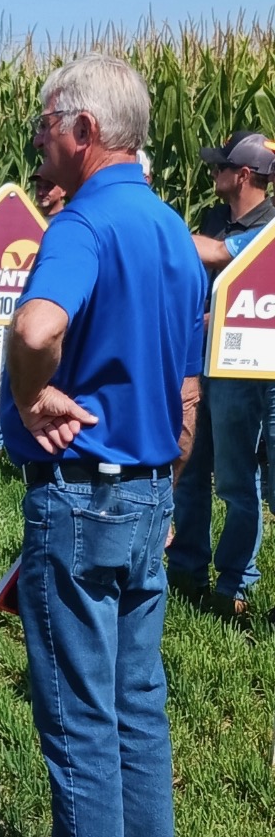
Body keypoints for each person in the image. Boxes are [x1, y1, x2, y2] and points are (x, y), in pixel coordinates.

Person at [0, 55, 204, 837]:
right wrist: (169, 464)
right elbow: (187, 377)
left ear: (85, 131)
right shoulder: (177, 232)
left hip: (80, 496)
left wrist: (32, 399)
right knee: (138, 701)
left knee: (76, 711)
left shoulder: (84, 223)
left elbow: (33, 331)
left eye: (45, 124)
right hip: (148, 491)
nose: (37, 139)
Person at [167, 130, 275, 617]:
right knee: (188, 468)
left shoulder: (270, 227)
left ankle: (234, 581)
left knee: (235, 479)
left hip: (241, 374)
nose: (213, 174)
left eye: (219, 167)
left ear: (245, 175)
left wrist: (160, 230)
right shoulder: (215, 218)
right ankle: (185, 566)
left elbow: (217, 257)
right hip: (197, 363)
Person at [0, 168, 67, 456]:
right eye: (39, 184)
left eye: (50, 185)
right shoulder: (26, 223)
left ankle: (24, 442)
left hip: (43, 317)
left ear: (63, 190)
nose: (43, 190)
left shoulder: (64, 225)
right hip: (10, 313)